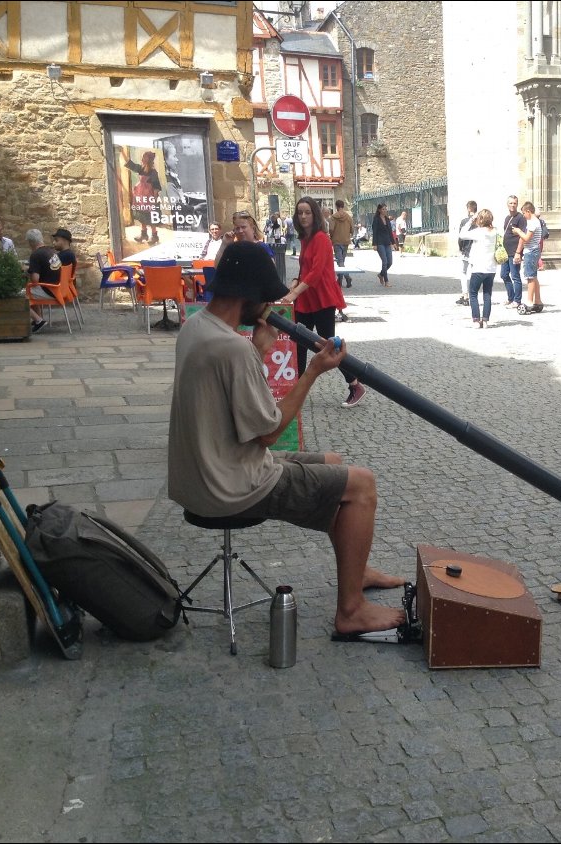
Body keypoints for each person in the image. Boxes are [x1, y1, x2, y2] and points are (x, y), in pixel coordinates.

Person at [166, 241, 405, 639]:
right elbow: (269, 432)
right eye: (265, 300)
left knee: (331, 461)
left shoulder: (196, 328)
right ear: (248, 296)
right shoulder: (230, 349)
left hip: (204, 472)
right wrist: (313, 372)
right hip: (229, 485)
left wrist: (257, 354)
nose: (268, 310)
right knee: (361, 484)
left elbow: (234, 401)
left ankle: (356, 572)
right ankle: (351, 612)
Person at [282, 197, 367, 408]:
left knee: (327, 346)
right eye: (300, 212)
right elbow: (305, 269)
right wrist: (294, 282)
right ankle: (296, 390)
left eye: (307, 212)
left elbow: (317, 273)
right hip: (307, 298)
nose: (303, 216)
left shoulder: (321, 238)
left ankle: (355, 384)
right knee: (299, 343)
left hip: (322, 298)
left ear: (315, 215)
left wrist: (293, 294)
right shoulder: (305, 238)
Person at [457, 208, 498, 328]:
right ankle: (485, 320)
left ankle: (476, 319)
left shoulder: (478, 232)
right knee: (487, 294)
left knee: (473, 293)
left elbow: (462, 234)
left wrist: (470, 221)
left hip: (478, 268)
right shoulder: (495, 231)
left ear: (480, 219)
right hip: (491, 269)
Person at [26, 229, 62, 333]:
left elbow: (35, 280)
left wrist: (29, 271)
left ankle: (38, 320)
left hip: (50, 290)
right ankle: (38, 318)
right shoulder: (51, 251)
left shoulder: (35, 255)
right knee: (30, 290)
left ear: (30, 242)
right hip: (59, 288)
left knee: (21, 296)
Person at [512, 201, 545, 315]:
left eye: (523, 213)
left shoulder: (532, 223)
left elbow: (526, 238)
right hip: (533, 251)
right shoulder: (535, 221)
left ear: (528, 211)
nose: (523, 216)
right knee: (534, 277)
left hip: (531, 251)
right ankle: (538, 300)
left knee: (530, 277)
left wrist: (518, 231)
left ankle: (530, 302)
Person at [124, 150, 161, 244]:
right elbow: (130, 164)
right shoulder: (141, 168)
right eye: (143, 157)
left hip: (149, 198)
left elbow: (156, 187)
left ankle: (154, 236)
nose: (142, 159)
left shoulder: (153, 172)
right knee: (142, 216)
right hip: (141, 197)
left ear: (149, 160)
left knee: (151, 217)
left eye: (144, 157)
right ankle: (144, 234)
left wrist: (154, 200)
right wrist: (122, 153)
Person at [500, 196, 525, 308]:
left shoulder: (520, 218)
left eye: (514, 203)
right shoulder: (507, 218)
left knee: (515, 276)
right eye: (510, 203)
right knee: (504, 275)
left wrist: (518, 252)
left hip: (514, 251)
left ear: (517, 204)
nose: (512, 205)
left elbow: (522, 237)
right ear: (507, 204)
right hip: (505, 252)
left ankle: (517, 300)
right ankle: (511, 298)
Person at [455, 200, 478, 306]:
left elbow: (461, 237)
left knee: (463, 273)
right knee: (474, 273)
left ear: (469, 209)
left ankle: (465, 295)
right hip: (476, 250)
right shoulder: (480, 221)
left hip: (466, 250)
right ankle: (473, 294)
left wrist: (460, 247)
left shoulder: (465, 221)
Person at [330, 200, 354, 289]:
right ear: (343, 206)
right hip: (345, 241)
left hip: (336, 241)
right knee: (342, 261)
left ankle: (347, 277)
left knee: (340, 261)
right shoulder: (348, 217)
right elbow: (352, 229)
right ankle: (339, 280)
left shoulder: (333, 217)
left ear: (336, 206)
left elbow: (331, 229)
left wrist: (331, 236)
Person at [371, 203, 395, 286]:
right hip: (379, 242)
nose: (385, 210)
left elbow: (390, 232)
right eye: (383, 209)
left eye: (385, 209)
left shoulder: (387, 219)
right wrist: (374, 244)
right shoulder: (376, 219)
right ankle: (386, 281)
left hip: (387, 242)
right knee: (384, 261)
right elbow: (375, 232)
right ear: (379, 210)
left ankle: (381, 274)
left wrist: (393, 242)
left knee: (390, 262)